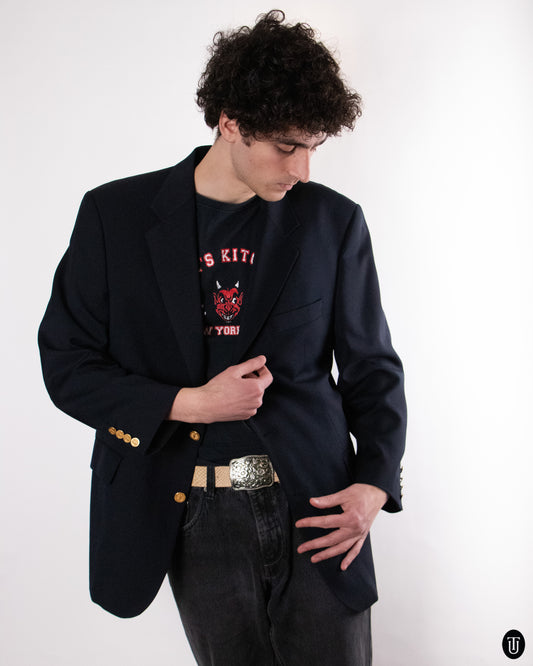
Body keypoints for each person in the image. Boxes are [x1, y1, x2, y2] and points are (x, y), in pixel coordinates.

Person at [39, 9, 406, 666]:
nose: (302, 170)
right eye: (286, 147)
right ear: (230, 122)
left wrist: (374, 484)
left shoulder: (333, 223)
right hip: (191, 513)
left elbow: (372, 371)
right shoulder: (115, 218)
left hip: (316, 508)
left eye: (314, 146)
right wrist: (189, 404)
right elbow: (67, 364)